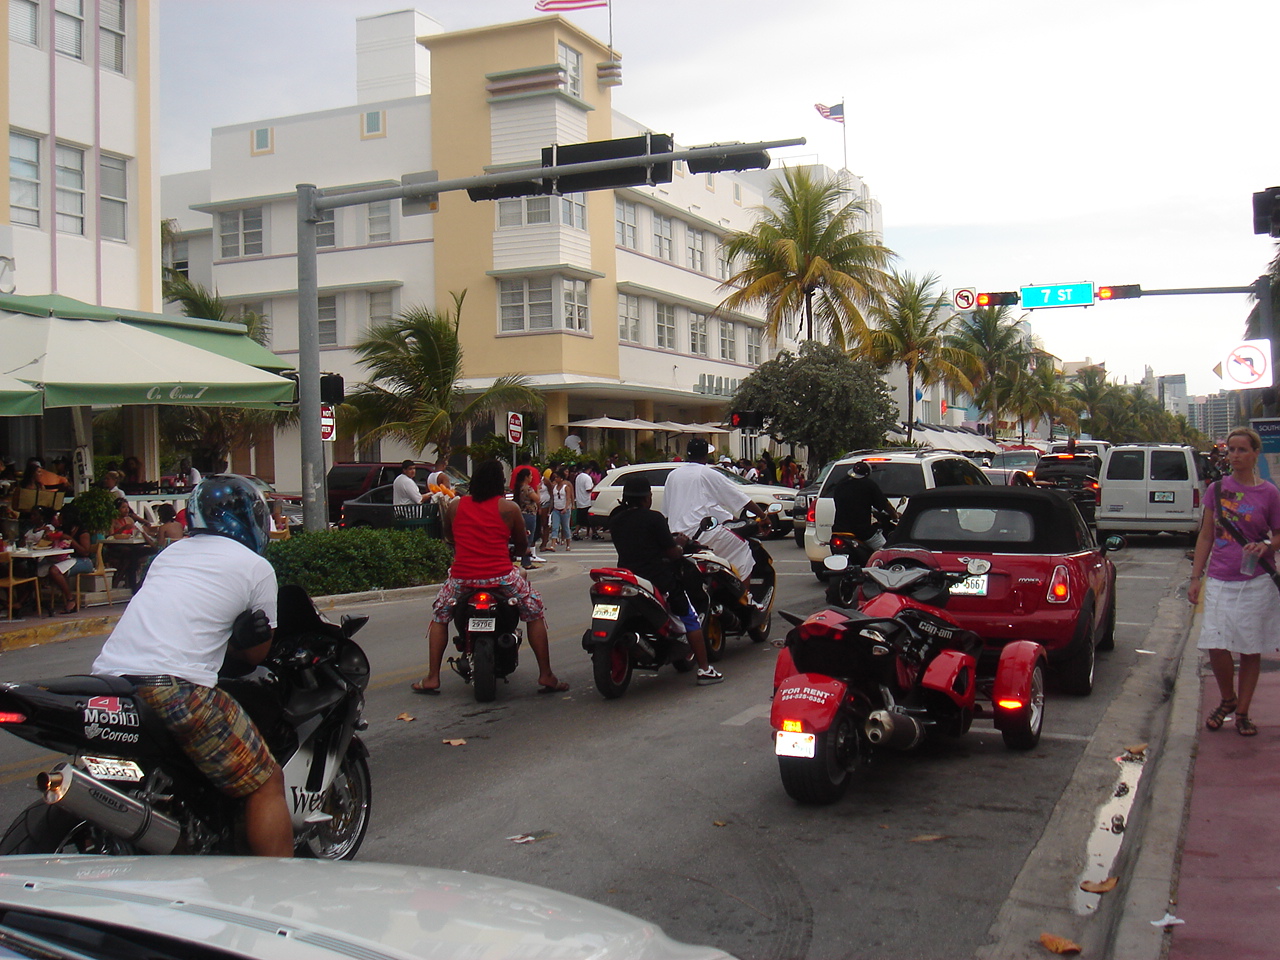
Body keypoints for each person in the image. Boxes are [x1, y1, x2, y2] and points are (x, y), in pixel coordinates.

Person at [91, 475, 293, 856]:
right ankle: (280, 883)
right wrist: (242, 641)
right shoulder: (256, 568)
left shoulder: (168, 555)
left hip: (110, 681)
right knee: (267, 782)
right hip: (175, 690)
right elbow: (256, 654)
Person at [410, 459, 568, 695]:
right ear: (499, 483)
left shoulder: (456, 506)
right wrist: (518, 551)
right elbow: (522, 543)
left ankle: (433, 676)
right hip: (501, 576)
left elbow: (449, 536)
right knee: (534, 610)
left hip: (462, 578)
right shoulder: (509, 509)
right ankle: (546, 674)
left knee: (440, 615)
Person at [1187, 427, 1280, 737]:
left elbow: (1279, 535)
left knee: (1250, 648)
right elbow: (1206, 535)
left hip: (1257, 581)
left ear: (1255, 454)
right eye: (1231, 450)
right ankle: (1228, 698)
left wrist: (1266, 546)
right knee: (1215, 643)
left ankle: (1242, 712)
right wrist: (1196, 577)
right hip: (1220, 578)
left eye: (1242, 450)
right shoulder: (1216, 490)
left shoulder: (1269, 493)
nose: (1235, 455)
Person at [606, 475, 723, 685]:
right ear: (646, 498)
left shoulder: (616, 521)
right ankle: (705, 670)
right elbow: (673, 553)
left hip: (629, 578)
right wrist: (680, 544)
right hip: (658, 579)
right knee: (690, 617)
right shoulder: (654, 518)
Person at [663, 437, 770, 580]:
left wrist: (731, 519)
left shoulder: (673, 475)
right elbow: (739, 498)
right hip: (700, 533)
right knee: (742, 548)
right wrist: (763, 516)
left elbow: (705, 507)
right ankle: (745, 593)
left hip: (676, 536)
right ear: (706, 455)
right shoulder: (707, 473)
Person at [830, 461, 900, 551]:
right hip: (861, 531)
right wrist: (895, 515)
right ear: (867, 474)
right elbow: (885, 505)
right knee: (883, 550)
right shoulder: (869, 485)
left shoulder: (840, 485)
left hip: (839, 530)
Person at [46, 504, 96, 615]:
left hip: (83, 561)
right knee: (43, 567)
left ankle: (70, 599)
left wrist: (70, 539)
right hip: (67, 559)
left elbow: (85, 552)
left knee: (54, 571)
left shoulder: (82, 531)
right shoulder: (64, 529)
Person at [548, 467, 573, 552]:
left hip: (564, 510)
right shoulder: (554, 487)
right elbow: (552, 498)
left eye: (557, 477)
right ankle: (553, 544)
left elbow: (568, 498)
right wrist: (550, 509)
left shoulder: (566, 487)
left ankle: (568, 544)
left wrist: (566, 508)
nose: (555, 479)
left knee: (565, 527)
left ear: (561, 478)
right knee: (555, 527)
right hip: (556, 509)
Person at [573, 464, 599, 541]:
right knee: (590, 519)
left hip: (580, 501)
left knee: (580, 519)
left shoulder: (578, 477)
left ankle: (589, 533)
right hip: (586, 501)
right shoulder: (587, 478)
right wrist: (595, 485)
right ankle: (592, 533)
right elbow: (588, 489)